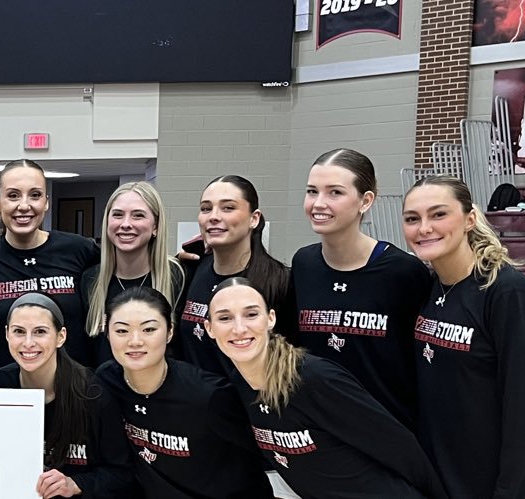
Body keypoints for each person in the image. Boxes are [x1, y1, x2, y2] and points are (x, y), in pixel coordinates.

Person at [209, 277, 445, 499]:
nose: (239, 328)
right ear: (209, 328)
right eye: (225, 318)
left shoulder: (314, 378)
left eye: (251, 314)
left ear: (270, 319)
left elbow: (399, 446)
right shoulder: (240, 386)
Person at [402, 176, 525, 497]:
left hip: (506, 486)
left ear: (469, 219)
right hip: (450, 479)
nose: (424, 228)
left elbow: (523, 411)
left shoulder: (508, 292)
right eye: (412, 218)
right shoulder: (428, 288)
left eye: (438, 214)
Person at [293, 149, 430, 429]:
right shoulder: (303, 264)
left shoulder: (404, 272)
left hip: (388, 433)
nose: (319, 203)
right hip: (322, 431)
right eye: (312, 191)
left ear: (365, 201)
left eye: (335, 193)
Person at [97, 286, 271, 498]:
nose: (135, 341)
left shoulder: (209, 395)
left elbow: (253, 468)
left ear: (170, 332)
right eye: (122, 331)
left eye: (149, 329)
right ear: (107, 333)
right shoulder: (107, 381)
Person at [0, 160, 100, 372]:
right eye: (13, 195)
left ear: (46, 202)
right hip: (4, 395)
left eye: (35, 195)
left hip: (72, 391)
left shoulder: (79, 249)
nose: (24, 206)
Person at [0, 293, 132, 498]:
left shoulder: (93, 394)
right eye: (19, 331)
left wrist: (75, 484)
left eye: (40, 332)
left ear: (60, 336)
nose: (28, 343)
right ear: (7, 334)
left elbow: (122, 474)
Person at [176, 175, 292, 376]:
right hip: (193, 402)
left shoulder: (279, 281)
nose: (213, 216)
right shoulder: (193, 269)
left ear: (254, 218)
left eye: (228, 208)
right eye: (206, 208)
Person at [80, 181, 184, 365]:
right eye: (118, 215)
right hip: (104, 390)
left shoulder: (179, 276)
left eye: (138, 215)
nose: (126, 224)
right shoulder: (90, 279)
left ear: (156, 226)